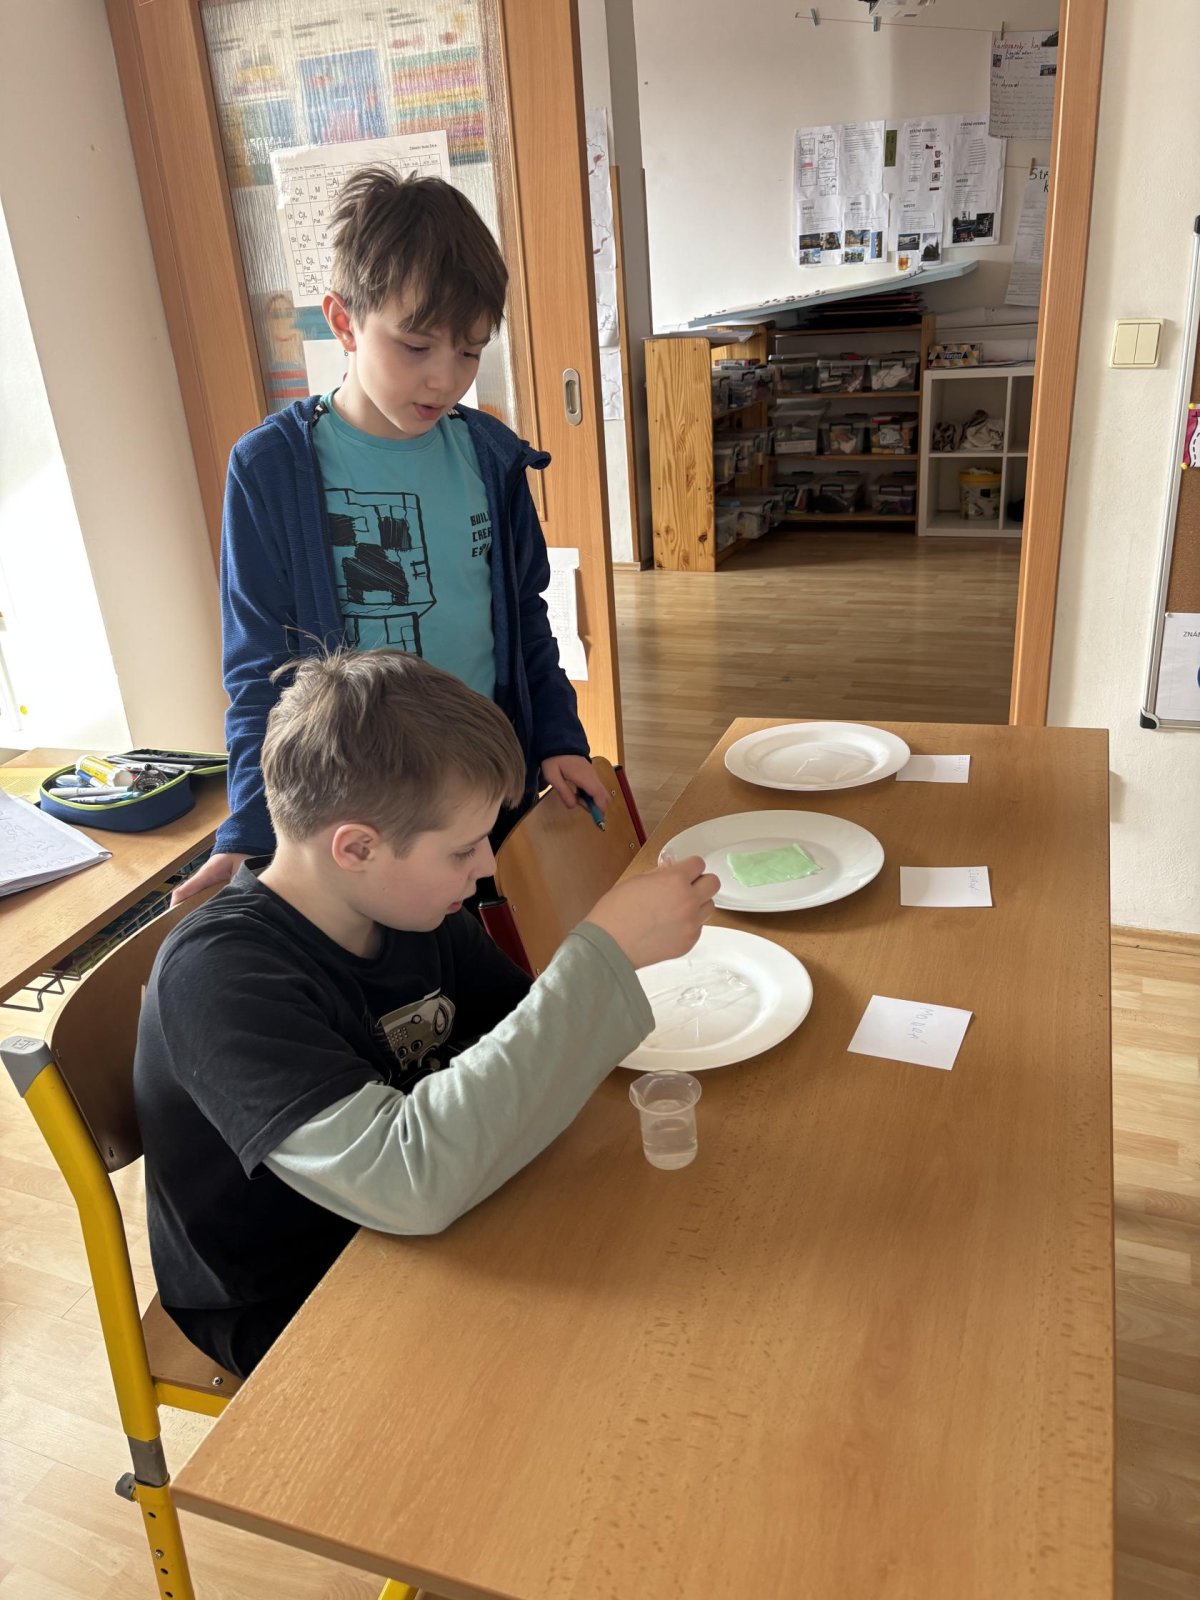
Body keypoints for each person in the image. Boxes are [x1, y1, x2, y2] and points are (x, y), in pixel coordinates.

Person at [135, 650, 718, 1378]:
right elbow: (404, 1181)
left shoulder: (411, 908)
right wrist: (603, 955)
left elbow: (521, 1037)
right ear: (357, 848)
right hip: (298, 1294)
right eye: (463, 849)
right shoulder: (221, 976)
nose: (486, 868)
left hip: (438, 1223)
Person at [174, 168, 607, 905]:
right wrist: (249, 826)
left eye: (469, 352)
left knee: (491, 952)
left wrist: (560, 738)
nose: (444, 380)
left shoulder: (490, 456)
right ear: (343, 322)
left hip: (483, 792)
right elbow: (258, 673)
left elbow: (526, 619)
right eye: (415, 346)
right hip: (357, 809)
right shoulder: (271, 468)